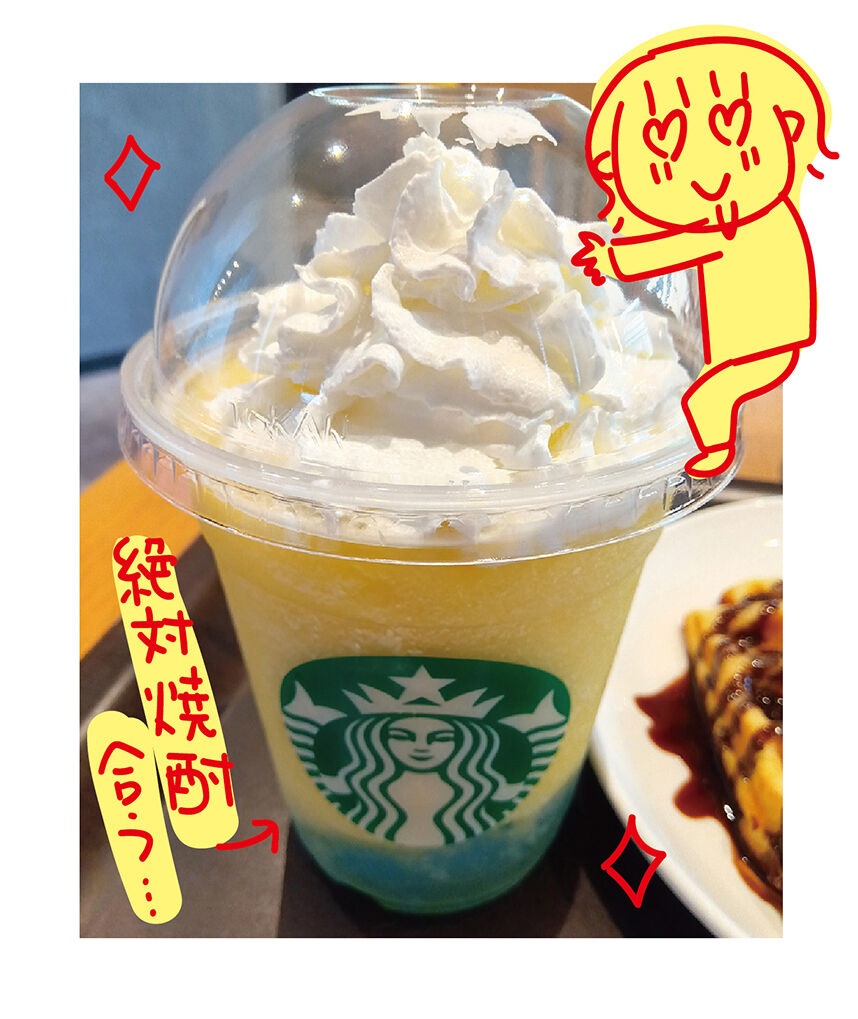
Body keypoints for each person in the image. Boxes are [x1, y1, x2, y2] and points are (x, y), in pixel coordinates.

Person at [572, 26, 837, 477]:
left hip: (766, 340)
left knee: (707, 396)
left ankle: (713, 453)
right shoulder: (757, 209)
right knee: (708, 392)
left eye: (732, 137)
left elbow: (668, 250)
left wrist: (612, 259)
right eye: (666, 159)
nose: (704, 176)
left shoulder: (734, 220)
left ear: (789, 130)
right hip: (752, 338)